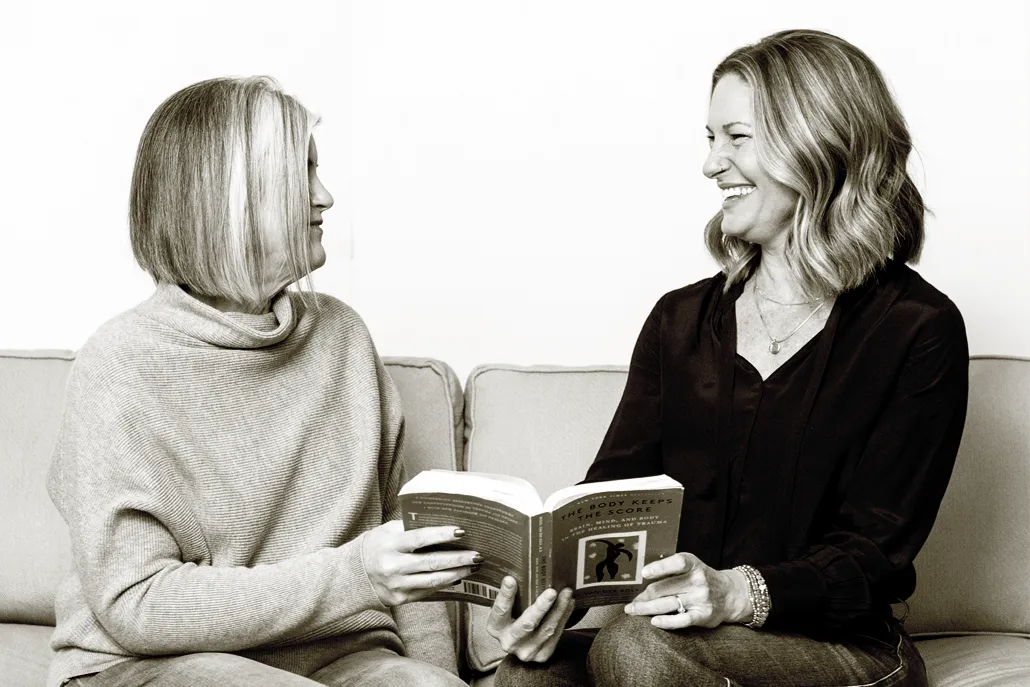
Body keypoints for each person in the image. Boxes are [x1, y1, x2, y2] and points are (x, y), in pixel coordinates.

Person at [487, 29, 969, 687]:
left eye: (736, 138)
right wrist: (550, 599)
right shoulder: (680, 320)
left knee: (636, 648)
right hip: (675, 641)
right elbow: (611, 502)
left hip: (843, 649)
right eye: (710, 139)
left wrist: (737, 591)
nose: (711, 164)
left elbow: (875, 552)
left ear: (818, 144)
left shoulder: (918, 329)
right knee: (523, 675)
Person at [46, 76, 476, 687]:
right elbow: (138, 605)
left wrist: (438, 678)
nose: (325, 197)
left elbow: (406, 557)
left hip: (340, 660)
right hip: (151, 665)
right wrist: (354, 574)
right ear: (229, 199)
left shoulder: (343, 340)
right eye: (302, 173)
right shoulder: (120, 364)